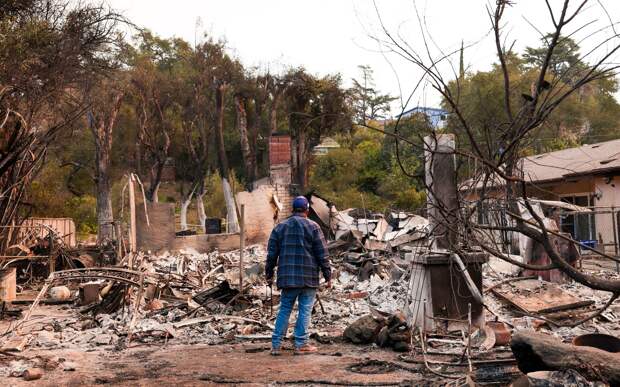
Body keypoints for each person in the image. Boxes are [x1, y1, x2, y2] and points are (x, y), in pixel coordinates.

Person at [265, 195, 331, 356]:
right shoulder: (314, 227)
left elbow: (271, 255)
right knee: (305, 310)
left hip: (287, 279)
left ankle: (276, 345)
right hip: (308, 278)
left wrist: (268, 274)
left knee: (284, 310)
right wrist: (328, 275)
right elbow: (323, 254)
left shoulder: (280, 228)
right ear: (307, 210)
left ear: (293, 209)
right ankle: (301, 344)